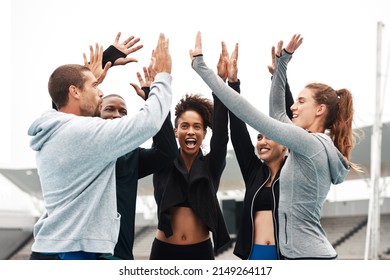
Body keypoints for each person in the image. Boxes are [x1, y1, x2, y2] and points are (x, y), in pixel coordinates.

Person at [190, 32, 360, 259]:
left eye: (301, 101)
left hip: (306, 258)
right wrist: (282, 64)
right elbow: (279, 113)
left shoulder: (311, 144)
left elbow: (251, 112)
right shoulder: (314, 146)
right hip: (304, 255)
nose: (294, 108)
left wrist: (202, 67)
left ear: (320, 110)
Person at [28, 33, 173, 260]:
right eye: (95, 85)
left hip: (54, 248)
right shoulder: (83, 133)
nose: (101, 91)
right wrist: (163, 77)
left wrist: (102, 63)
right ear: (75, 92)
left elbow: (62, 97)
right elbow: (149, 121)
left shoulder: (56, 128)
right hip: (71, 253)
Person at [219, 41, 293, 260]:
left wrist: (279, 77)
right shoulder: (254, 173)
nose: (262, 141)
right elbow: (239, 133)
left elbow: (290, 120)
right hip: (253, 256)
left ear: (285, 143)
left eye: (269, 135)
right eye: (259, 137)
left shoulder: (293, 171)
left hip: (286, 258)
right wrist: (233, 83)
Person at [98, 66, 177, 260]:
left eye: (123, 112)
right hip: (84, 255)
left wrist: (153, 100)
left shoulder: (131, 156)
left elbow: (167, 152)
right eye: (110, 109)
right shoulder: (81, 147)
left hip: (120, 256)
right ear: (95, 114)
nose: (117, 114)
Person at [149, 81, 231, 259]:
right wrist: (153, 91)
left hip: (200, 251)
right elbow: (159, 128)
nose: (191, 131)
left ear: (204, 133)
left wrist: (220, 88)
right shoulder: (163, 161)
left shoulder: (212, 165)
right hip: (164, 250)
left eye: (197, 126)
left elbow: (222, 135)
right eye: (184, 126)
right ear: (176, 132)